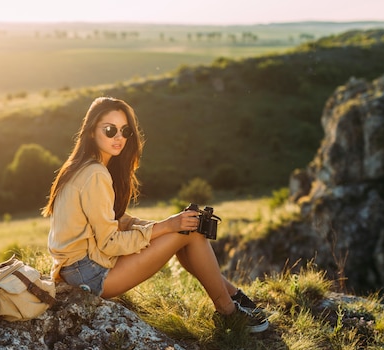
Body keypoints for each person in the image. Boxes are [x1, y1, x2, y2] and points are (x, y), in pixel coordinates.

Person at [41, 96, 268, 333]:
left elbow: (116, 220)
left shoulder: (83, 165)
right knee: (188, 233)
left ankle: (235, 299)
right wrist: (166, 227)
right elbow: (109, 243)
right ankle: (229, 311)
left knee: (184, 228)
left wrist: (163, 225)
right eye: (110, 130)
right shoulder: (96, 174)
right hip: (89, 275)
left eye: (124, 130)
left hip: (77, 270)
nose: (118, 137)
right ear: (90, 132)